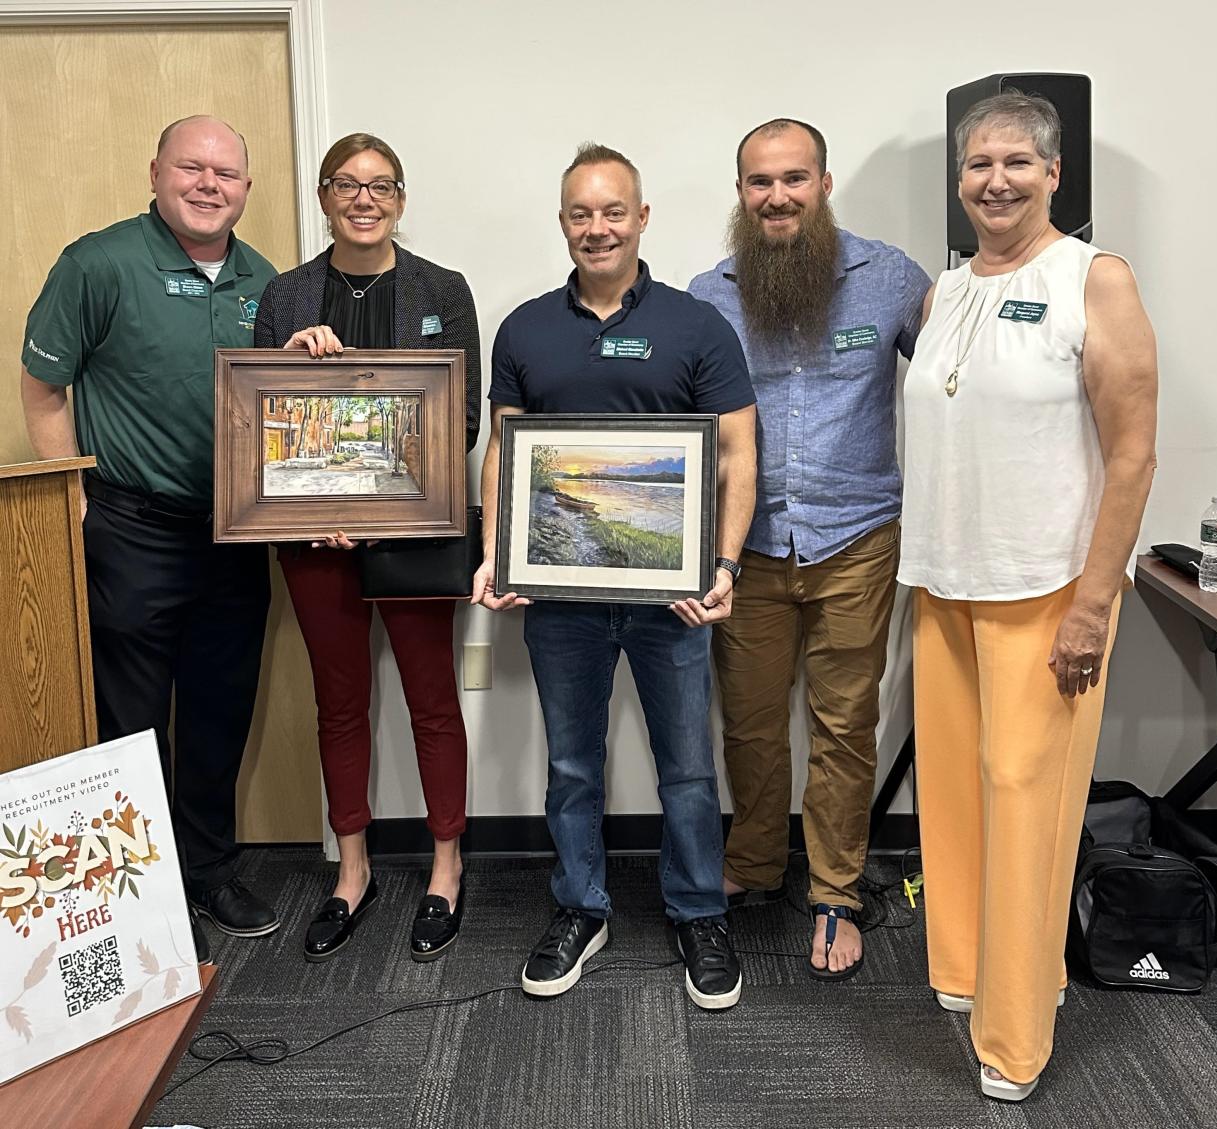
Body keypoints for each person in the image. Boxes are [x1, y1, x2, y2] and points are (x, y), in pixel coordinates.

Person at [900, 91, 1157, 1100]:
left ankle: (1018, 1034)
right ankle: (964, 973)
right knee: (957, 800)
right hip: (947, 582)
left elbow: (1133, 453)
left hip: (1048, 590)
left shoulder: (1094, 279)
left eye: (1017, 162)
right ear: (960, 182)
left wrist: (1095, 604)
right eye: (978, 166)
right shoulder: (945, 292)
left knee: (1026, 803)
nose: (996, 180)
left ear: (1055, 174)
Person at [472, 143, 757, 1010]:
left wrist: (724, 562)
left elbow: (738, 452)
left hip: (671, 600)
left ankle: (699, 911)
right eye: (579, 213)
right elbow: (504, 453)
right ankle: (579, 908)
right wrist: (498, 549)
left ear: (641, 218)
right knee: (571, 764)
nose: (596, 227)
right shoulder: (524, 327)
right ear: (564, 223)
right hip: (560, 603)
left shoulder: (696, 324)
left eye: (611, 211)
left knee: (688, 770)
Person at [20, 115, 280, 963]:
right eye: (191, 167)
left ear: (246, 189)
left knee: (219, 705)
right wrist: (71, 499)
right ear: (157, 172)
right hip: (129, 524)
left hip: (236, 532)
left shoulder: (264, 282)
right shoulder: (99, 262)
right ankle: (138, 888)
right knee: (129, 718)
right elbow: (44, 385)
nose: (209, 184)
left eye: (227, 173)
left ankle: (208, 867)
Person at [688, 118, 930, 981]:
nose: (778, 195)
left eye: (795, 178)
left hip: (857, 538)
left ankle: (835, 888)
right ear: (741, 194)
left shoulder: (892, 279)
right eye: (760, 182)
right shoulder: (706, 294)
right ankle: (754, 864)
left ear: (824, 184)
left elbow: (955, 378)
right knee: (750, 724)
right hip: (744, 547)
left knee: (844, 726)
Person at [254, 133, 480, 963]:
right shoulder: (284, 296)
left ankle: (446, 865)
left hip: (414, 532)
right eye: (346, 184)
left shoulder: (444, 291)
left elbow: (458, 422)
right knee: (339, 701)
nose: (363, 198)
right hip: (313, 540)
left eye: (380, 185)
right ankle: (353, 871)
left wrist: (373, 506)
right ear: (323, 197)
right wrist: (281, 365)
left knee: (432, 698)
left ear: (401, 198)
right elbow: (258, 420)